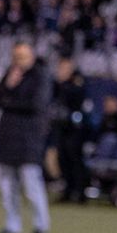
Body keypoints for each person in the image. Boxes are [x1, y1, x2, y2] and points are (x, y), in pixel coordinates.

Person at [0, 41, 52, 233]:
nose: (18, 61)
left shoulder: (40, 75)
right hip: (7, 138)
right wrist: (8, 85)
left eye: (22, 56)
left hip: (28, 138)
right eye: (15, 56)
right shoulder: (10, 74)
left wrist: (8, 100)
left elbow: (35, 104)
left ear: (31, 55)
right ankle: (12, 228)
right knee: (8, 186)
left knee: (31, 183)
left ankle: (41, 229)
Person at [50, 56, 89, 204]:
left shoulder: (77, 81)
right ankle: (67, 190)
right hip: (62, 126)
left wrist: (64, 83)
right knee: (63, 159)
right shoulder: (58, 84)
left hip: (75, 129)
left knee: (75, 160)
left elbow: (77, 98)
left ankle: (80, 193)